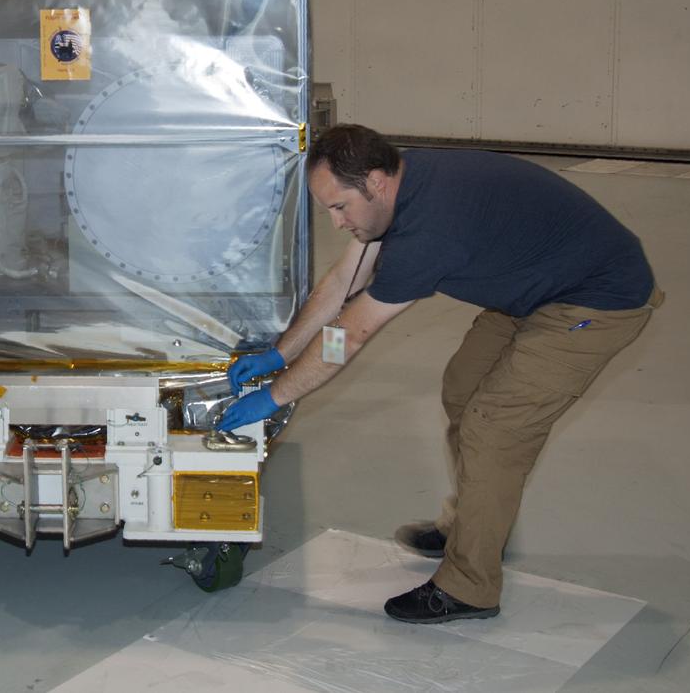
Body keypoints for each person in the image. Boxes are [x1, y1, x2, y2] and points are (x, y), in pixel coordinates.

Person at [221, 124, 661, 623]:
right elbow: (342, 281)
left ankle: (470, 586)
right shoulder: (401, 184)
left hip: (594, 302)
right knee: (464, 390)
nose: (337, 221)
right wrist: (281, 352)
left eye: (340, 207)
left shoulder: (427, 234)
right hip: (533, 286)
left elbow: (350, 333)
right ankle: (469, 524)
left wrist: (276, 396)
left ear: (376, 182)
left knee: (494, 429)